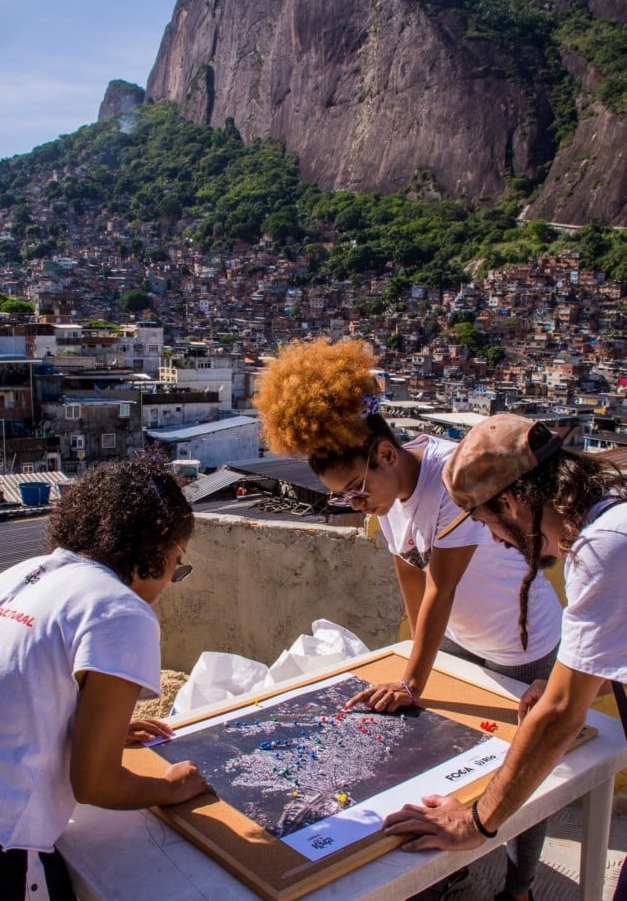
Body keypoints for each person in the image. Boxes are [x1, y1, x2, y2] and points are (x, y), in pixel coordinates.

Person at [254, 339, 563, 901]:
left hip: (524, 643)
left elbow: (440, 590)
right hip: (464, 642)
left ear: (387, 456)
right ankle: (455, 864)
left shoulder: (450, 479)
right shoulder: (388, 497)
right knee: (453, 756)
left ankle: (519, 888)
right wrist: (418, 667)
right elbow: (412, 584)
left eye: (355, 490)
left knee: (521, 768)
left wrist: (411, 680)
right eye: (344, 499)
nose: (357, 504)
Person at [0, 454, 213, 901]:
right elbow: (95, 784)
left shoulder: (18, 576)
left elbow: (6, 699)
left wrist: (94, 730)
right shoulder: (121, 609)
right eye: (179, 563)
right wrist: (170, 788)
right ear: (157, 546)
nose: (170, 580)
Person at [381, 412, 627, 901]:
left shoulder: (604, 550)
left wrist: (477, 823)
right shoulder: (612, 525)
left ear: (512, 503)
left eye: (489, 525)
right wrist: (570, 682)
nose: (495, 541)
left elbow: (559, 716)